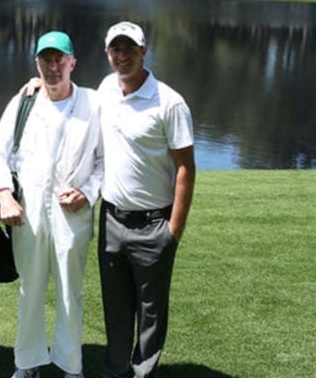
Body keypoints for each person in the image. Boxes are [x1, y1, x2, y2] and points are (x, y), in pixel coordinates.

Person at [0, 31, 103, 378]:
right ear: (37, 64)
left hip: (74, 210)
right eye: (45, 60)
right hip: (29, 209)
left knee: (71, 290)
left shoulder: (94, 103)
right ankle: (28, 362)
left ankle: (71, 366)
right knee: (30, 288)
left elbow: (104, 162)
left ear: (72, 63)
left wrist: (88, 191)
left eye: (59, 60)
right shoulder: (23, 102)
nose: (53, 67)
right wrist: (4, 193)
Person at [97, 21, 195, 378]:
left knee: (151, 312)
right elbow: (70, 99)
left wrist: (174, 231)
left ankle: (143, 373)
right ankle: (114, 371)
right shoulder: (106, 88)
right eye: (115, 50)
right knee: (116, 307)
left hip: (155, 223)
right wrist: (38, 84)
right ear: (108, 53)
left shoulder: (170, 103)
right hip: (111, 219)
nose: (122, 56)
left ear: (143, 51)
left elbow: (185, 167)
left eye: (129, 49)